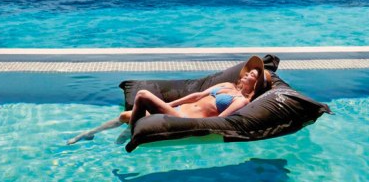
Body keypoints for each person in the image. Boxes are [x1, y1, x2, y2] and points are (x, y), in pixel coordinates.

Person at [67, 56, 270, 145]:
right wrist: (171, 104)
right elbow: (197, 96)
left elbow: (221, 120)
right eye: (248, 72)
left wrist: (197, 128)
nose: (246, 74)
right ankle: (89, 134)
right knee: (123, 115)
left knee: (143, 95)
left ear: (256, 82)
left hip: (185, 120)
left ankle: (131, 133)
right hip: (177, 109)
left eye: (252, 74)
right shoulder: (226, 86)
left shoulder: (241, 101)